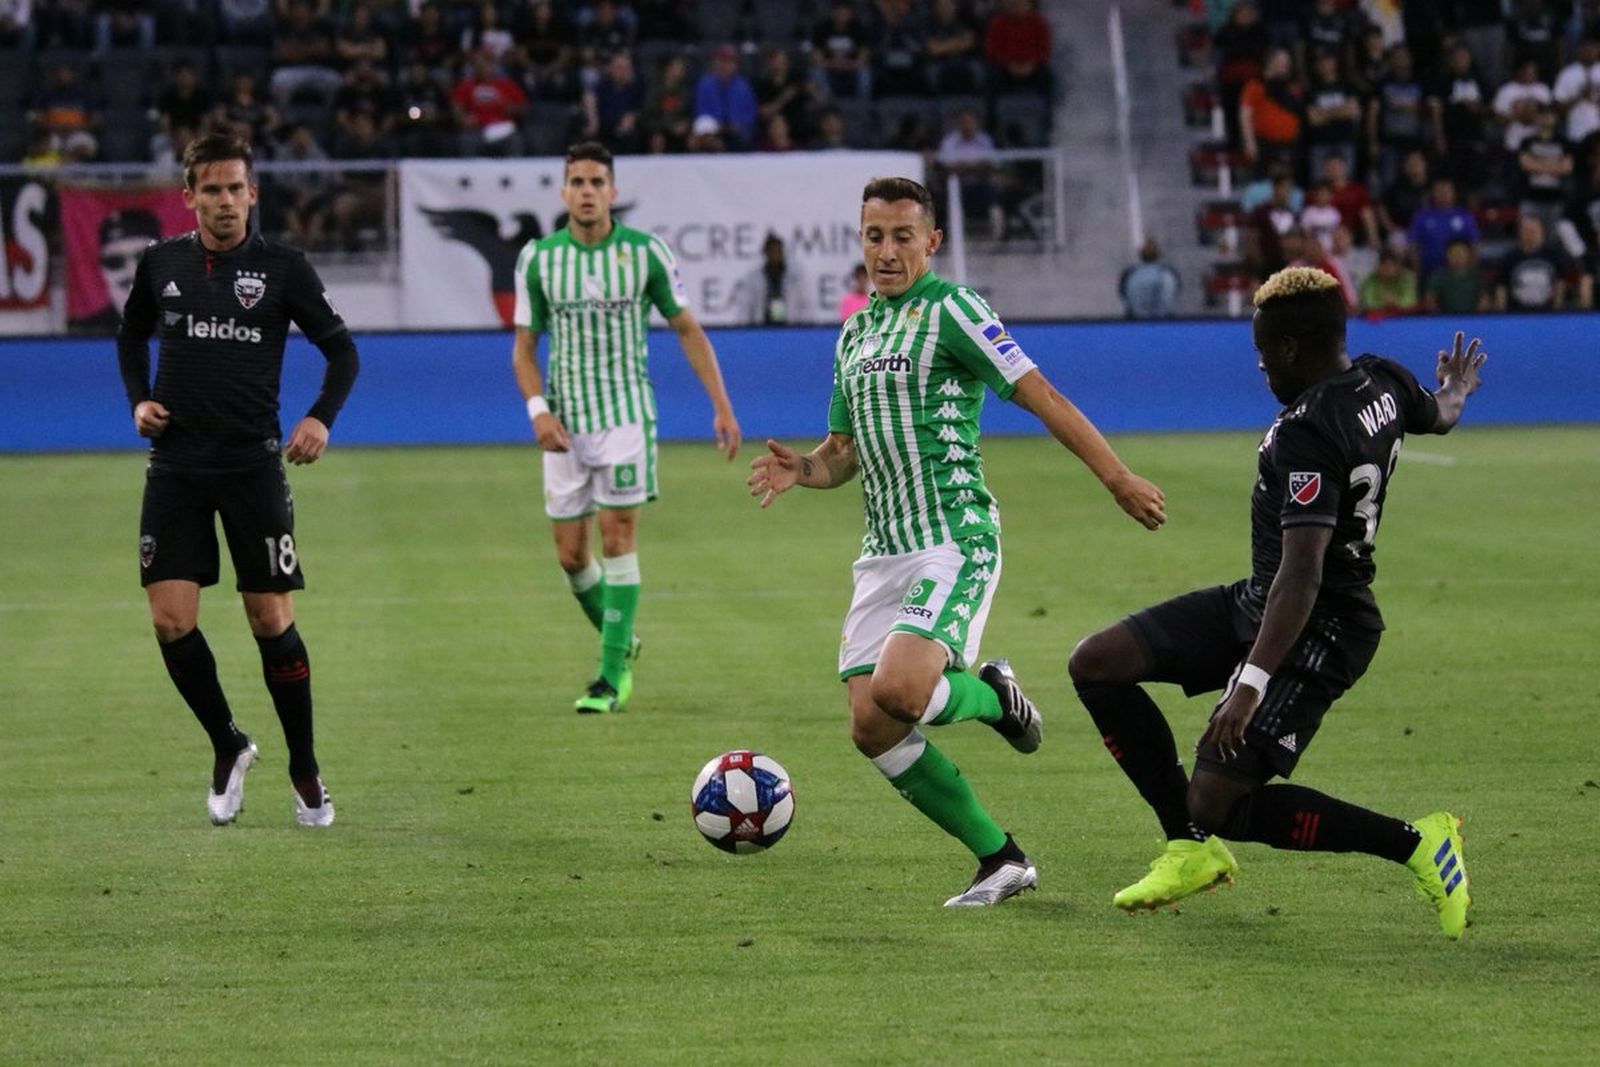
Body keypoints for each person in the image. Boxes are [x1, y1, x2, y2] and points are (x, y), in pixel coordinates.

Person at [746, 177, 1166, 907]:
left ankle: (996, 698)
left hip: (952, 534)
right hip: (883, 550)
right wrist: (803, 470)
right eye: (874, 235)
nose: (886, 250)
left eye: (902, 235)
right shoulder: (855, 333)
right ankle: (1001, 859)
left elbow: (1043, 395)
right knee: (872, 726)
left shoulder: (955, 312)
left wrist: (1117, 476)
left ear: (932, 242)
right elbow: (843, 451)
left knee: (902, 690)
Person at [1067, 266, 1485, 939]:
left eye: (1264, 355)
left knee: (1220, 798)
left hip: (1317, 622)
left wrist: (1250, 685)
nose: (1260, 368)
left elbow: (1304, 571)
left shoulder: (1307, 431)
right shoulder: (1382, 378)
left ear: (1293, 348)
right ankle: (1190, 846)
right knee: (1098, 662)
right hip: (1263, 601)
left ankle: (1419, 842)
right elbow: (1440, 414)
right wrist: (1457, 388)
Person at [116, 132, 359, 828]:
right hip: (177, 465)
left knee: (270, 618)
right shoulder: (160, 264)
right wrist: (138, 398)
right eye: (211, 189)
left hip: (253, 466)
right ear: (188, 195)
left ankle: (306, 770)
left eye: (236, 188)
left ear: (254, 192)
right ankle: (228, 744)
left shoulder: (283, 268)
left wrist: (319, 418)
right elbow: (131, 335)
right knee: (169, 620)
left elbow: (341, 353)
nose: (225, 201)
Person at [511, 142, 741, 714]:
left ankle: (610, 676)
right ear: (563, 192)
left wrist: (722, 404)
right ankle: (623, 641)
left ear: (612, 191)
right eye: (577, 182)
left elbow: (687, 329)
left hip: (626, 417)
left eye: (596, 182)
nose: (587, 191)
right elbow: (523, 349)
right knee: (570, 555)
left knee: (617, 540)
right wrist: (538, 410)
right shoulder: (539, 259)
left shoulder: (646, 254)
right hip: (563, 422)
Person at [71, 208, 162, 334]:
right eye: (115, 262)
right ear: (102, 270)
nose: (131, 271)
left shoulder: (188, 324)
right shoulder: (85, 332)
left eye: (141, 257)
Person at [742, 231, 809, 324]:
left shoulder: (796, 277)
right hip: (762, 327)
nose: (775, 255)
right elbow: (746, 306)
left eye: (778, 251)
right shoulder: (754, 278)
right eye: (772, 251)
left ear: (782, 252)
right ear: (766, 253)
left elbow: (806, 305)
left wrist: (803, 328)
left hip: (790, 327)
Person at [1119, 237, 1182, 319]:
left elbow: (1123, 295)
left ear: (1141, 255)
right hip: (1165, 320)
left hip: (1137, 320)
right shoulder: (1169, 273)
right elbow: (1176, 292)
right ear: (1158, 255)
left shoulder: (1130, 274)